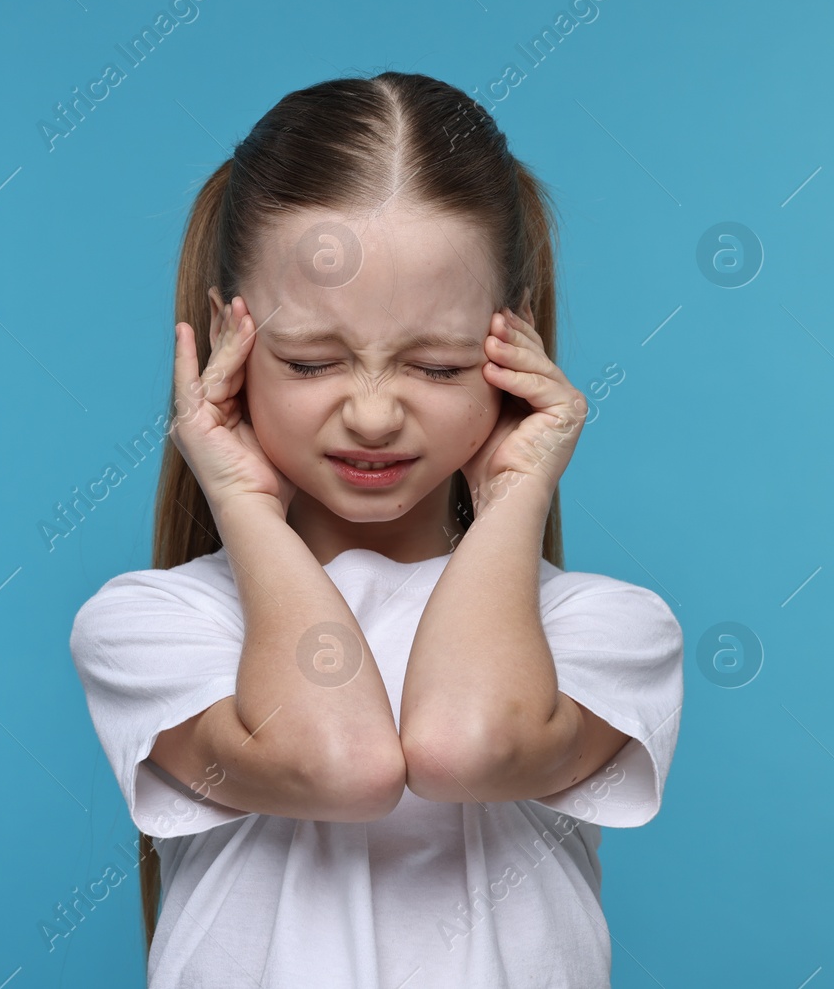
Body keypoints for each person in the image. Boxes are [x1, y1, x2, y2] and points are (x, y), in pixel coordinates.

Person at [68, 70, 684, 988]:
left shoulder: (604, 632)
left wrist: (515, 494)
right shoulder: (155, 626)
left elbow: (462, 743)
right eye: (312, 360)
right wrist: (239, 497)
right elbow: (339, 761)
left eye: (435, 367)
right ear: (227, 348)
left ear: (512, 353)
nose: (370, 415)